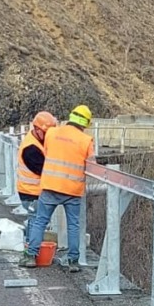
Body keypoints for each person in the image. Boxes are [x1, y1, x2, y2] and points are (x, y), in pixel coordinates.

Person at [20, 105, 94, 272]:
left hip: (50, 186)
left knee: (40, 221)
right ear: (86, 123)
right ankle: (73, 260)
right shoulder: (86, 141)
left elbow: (48, 153)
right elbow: (92, 167)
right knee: (73, 225)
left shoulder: (52, 133)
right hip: (73, 190)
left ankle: (31, 256)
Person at [16, 111, 56, 211]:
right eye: (46, 132)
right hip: (32, 194)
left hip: (33, 192)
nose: (49, 135)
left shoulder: (36, 140)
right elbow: (45, 170)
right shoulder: (31, 149)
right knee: (36, 219)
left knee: (36, 219)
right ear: (37, 129)